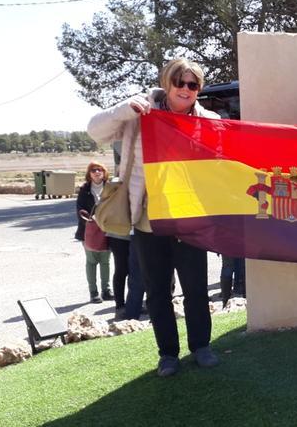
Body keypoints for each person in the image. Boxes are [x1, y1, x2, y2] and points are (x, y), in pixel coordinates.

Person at [88, 58, 221, 377]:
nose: (186, 89)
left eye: (193, 85)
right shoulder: (140, 111)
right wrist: (123, 110)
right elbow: (94, 130)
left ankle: (201, 347)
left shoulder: (208, 120)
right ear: (167, 83)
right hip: (148, 219)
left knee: (196, 289)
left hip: (189, 218)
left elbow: (221, 162)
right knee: (158, 291)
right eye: (180, 82)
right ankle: (168, 355)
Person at [74, 161, 113, 304]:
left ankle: (106, 291)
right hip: (88, 231)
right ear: (89, 174)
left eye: (100, 170)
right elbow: (80, 210)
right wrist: (91, 220)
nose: (97, 172)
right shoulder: (84, 189)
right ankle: (93, 292)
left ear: (104, 172)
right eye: (93, 170)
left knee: (105, 261)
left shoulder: (110, 187)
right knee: (91, 261)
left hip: (107, 229)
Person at [106, 231, 130, 319]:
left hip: (134, 236)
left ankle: (133, 303)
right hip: (117, 235)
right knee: (121, 271)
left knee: (134, 272)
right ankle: (120, 306)